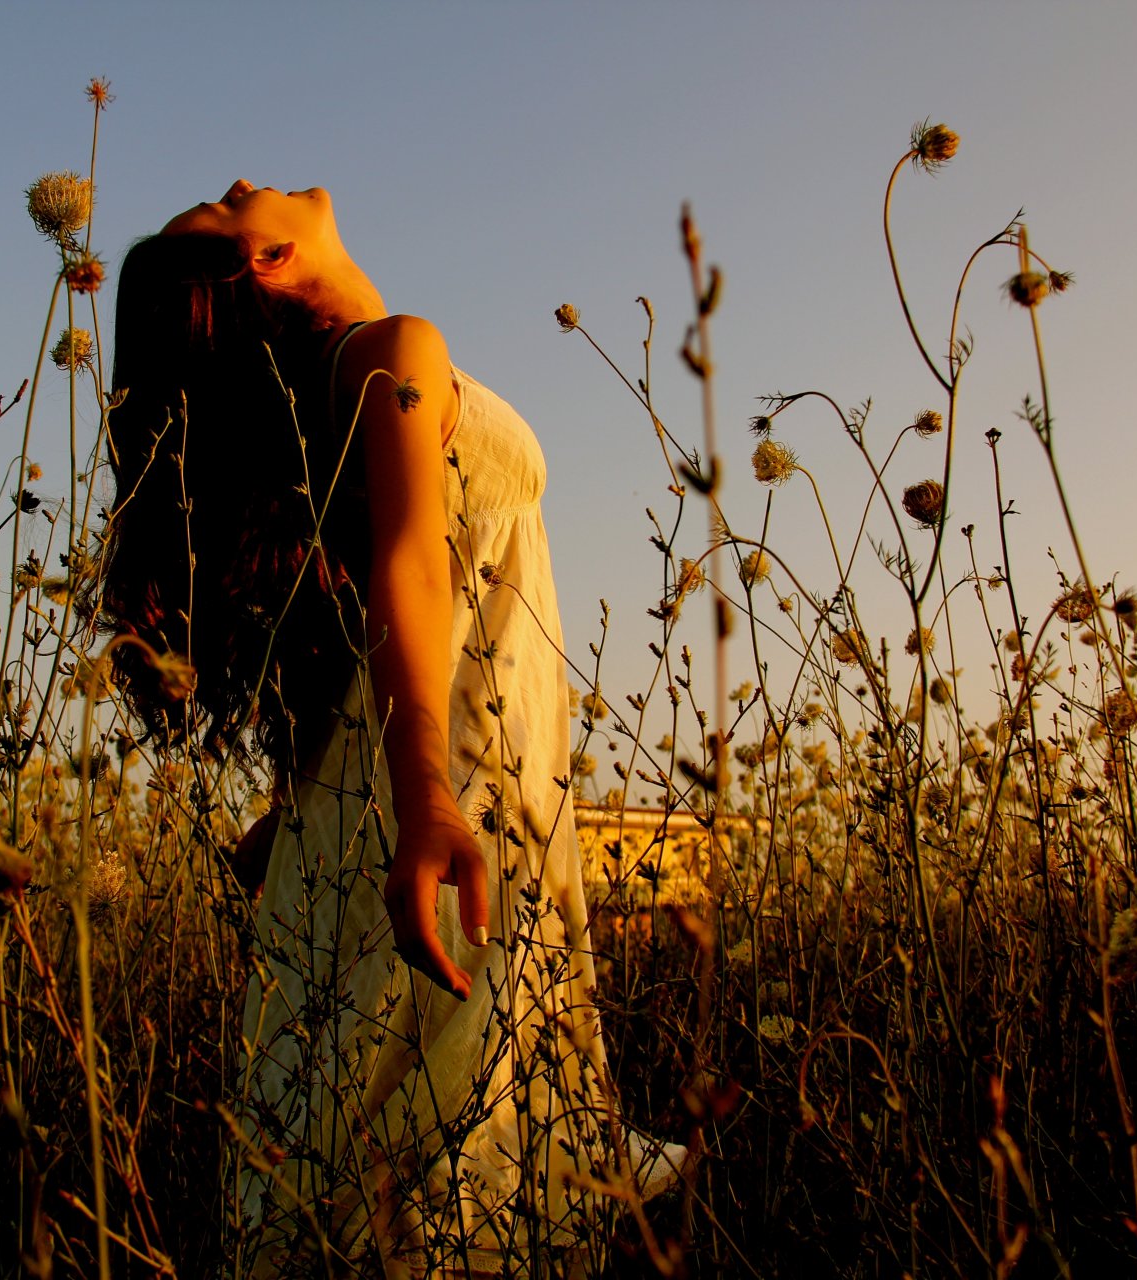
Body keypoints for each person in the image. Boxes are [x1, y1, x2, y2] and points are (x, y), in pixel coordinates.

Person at [100, 181, 683, 1278]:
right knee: (449, 1168)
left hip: (386, 804)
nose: (239, 185)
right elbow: (409, 571)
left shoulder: (329, 396)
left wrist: (299, 810)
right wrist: (426, 801)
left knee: (363, 1164)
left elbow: (350, 623)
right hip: (448, 790)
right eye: (220, 213)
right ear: (265, 264)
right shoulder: (391, 353)